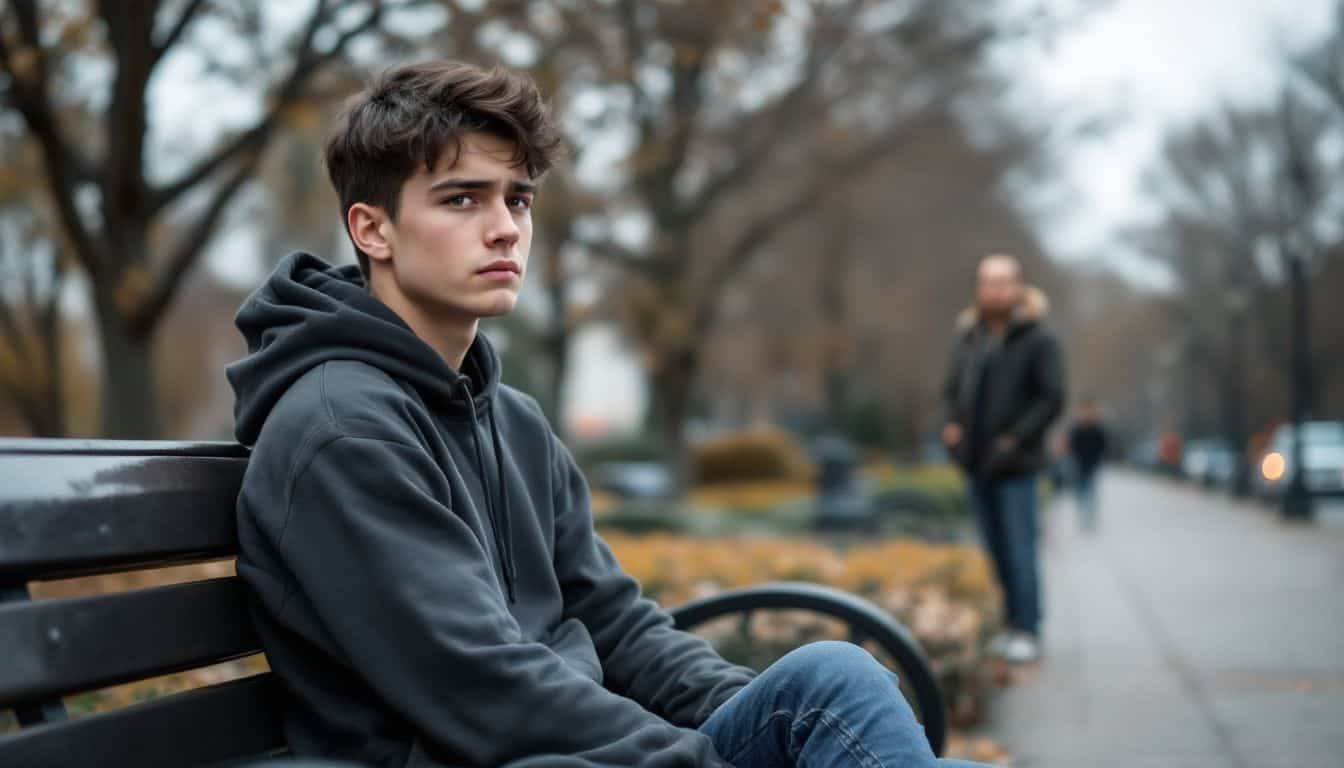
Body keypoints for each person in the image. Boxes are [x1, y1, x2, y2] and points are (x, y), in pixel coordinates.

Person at [226, 61, 992, 768]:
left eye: (517, 199)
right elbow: (482, 687)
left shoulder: (513, 421)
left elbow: (618, 625)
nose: (505, 228)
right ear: (372, 229)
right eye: (462, 198)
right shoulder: (342, 430)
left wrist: (740, 718)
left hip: (577, 749)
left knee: (833, 685)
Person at [939, 254, 1064, 665]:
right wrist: (952, 425)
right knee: (994, 550)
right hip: (976, 464)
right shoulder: (969, 337)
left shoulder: (1039, 339)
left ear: (1019, 287)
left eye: (1004, 282)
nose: (995, 290)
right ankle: (1011, 625)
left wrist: (1015, 438)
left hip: (1016, 467)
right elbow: (952, 391)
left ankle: (1028, 628)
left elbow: (1051, 398)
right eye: (988, 282)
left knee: (1020, 550)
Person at [1067, 398, 1109, 532]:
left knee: (1091, 492)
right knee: (1080, 492)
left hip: (1093, 465)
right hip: (1078, 465)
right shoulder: (1076, 428)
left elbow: (1103, 446)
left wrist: (1098, 460)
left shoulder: (1097, 428)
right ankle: (1083, 518)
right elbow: (1071, 446)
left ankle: (1089, 520)